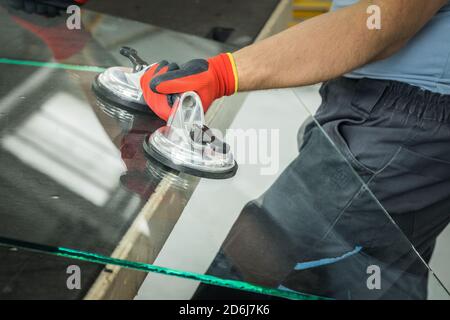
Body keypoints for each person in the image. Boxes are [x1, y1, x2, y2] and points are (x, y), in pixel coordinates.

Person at [140, 0, 450, 299]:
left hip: (403, 121)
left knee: (257, 271)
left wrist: (224, 73)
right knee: (378, 276)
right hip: (394, 110)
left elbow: (386, 18)